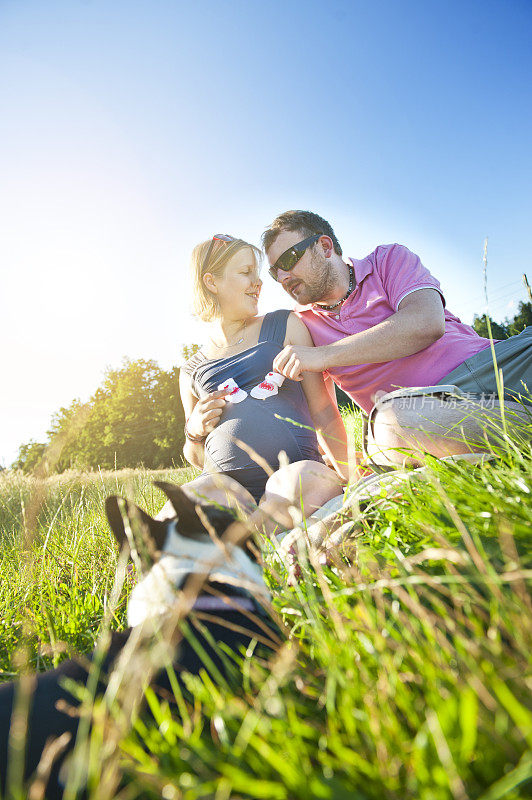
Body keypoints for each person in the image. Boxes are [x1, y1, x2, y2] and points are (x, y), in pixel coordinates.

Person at [262, 211, 532, 469]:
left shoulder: (387, 259)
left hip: (495, 365)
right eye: (275, 272)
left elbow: (426, 322)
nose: (283, 277)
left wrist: (324, 356)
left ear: (324, 246)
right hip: (422, 411)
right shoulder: (300, 325)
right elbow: (323, 411)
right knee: (391, 426)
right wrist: (348, 471)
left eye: (289, 259)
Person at [171, 234, 349, 532]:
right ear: (212, 283)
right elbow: (196, 456)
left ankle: (244, 543)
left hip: (294, 469)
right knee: (183, 504)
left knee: (303, 482)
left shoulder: (284, 324)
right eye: (245, 273)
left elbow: (323, 411)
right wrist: (194, 431)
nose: (259, 282)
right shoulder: (191, 370)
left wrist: (349, 472)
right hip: (225, 484)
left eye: (257, 272)